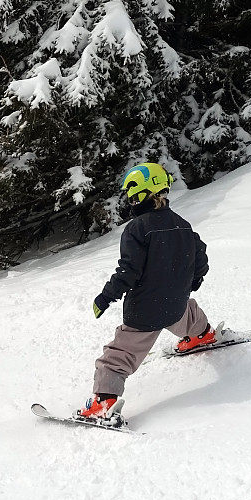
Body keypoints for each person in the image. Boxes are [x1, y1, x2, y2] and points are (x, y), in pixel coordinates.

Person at [78, 162, 215, 421]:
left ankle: (103, 403)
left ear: (142, 193)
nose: (129, 199)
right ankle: (203, 336)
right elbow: (200, 256)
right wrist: (192, 282)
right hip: (175, 304)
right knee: (189, 314)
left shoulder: (137, 228)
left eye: (131, 193)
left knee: (117, 357)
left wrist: (105, 296)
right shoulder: (182, 224)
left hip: (144, 312)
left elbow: (128, 271)